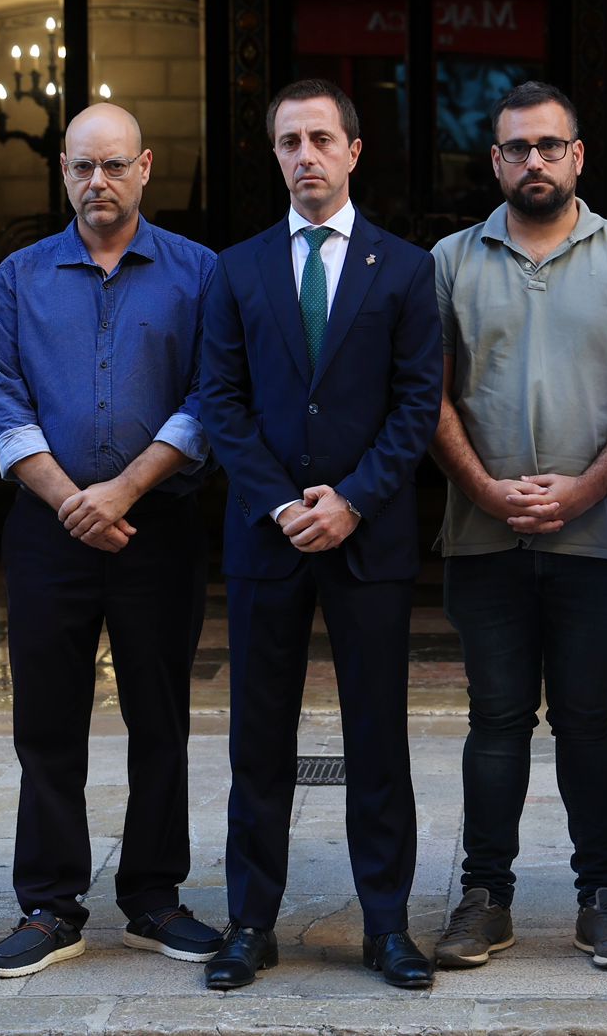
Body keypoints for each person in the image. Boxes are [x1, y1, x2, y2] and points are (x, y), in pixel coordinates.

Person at [427, 81, 607, 972]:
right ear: (495, 162)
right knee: (494, 720)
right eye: (516, 149)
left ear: (579, 156)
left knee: (588, 721)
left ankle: (600, 899)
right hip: (484, 536)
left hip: (597, 539)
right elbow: (433, 398)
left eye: (549, 146)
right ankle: (484, 898)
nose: (533, 161)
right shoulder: (450, 261)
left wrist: (582, 492)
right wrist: (491, 492)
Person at [198, 78, 443, 991]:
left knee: (377, 738)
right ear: (275, 155)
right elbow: (220, 402)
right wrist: (282, 503)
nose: (306, 154)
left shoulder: (407, 270)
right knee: (258, 740)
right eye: (290, 141)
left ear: (353, 152)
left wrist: (351, 500)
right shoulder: (238, 268)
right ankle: (248, 924)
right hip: (267, 541)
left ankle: (386, 926)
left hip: (369, 542)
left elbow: (418, 406)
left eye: (321, 139)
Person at [0, 104, 221, 978]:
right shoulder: (17, 277)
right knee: (46, 723)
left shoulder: (198, 273)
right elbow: (2, 399)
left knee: (160, 718)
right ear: (64, 171)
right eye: (82, 168)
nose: (98, 183)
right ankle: (49, 905)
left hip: (160, 530)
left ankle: (155, 898)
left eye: (114, 166)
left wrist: (121, 490)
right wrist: (71, 498)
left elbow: (209, 396)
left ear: (146, 167)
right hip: (48, 533)